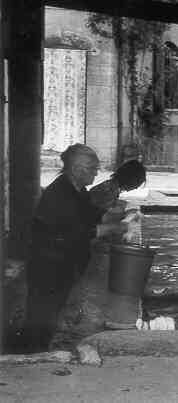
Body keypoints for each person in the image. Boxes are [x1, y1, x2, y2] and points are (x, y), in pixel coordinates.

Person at [23, 144, 127, 352]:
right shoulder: (60, 195)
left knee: (49, 314)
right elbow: (81, 232)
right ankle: (33, 357)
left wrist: (121, 217)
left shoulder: (77, 190)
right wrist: (115, 227)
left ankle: (39, 350)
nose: (96, 173)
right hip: (49, 265)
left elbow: (92, 215)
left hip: (61, 264)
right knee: (42, 315)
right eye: (92, 168)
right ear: (78, 169)